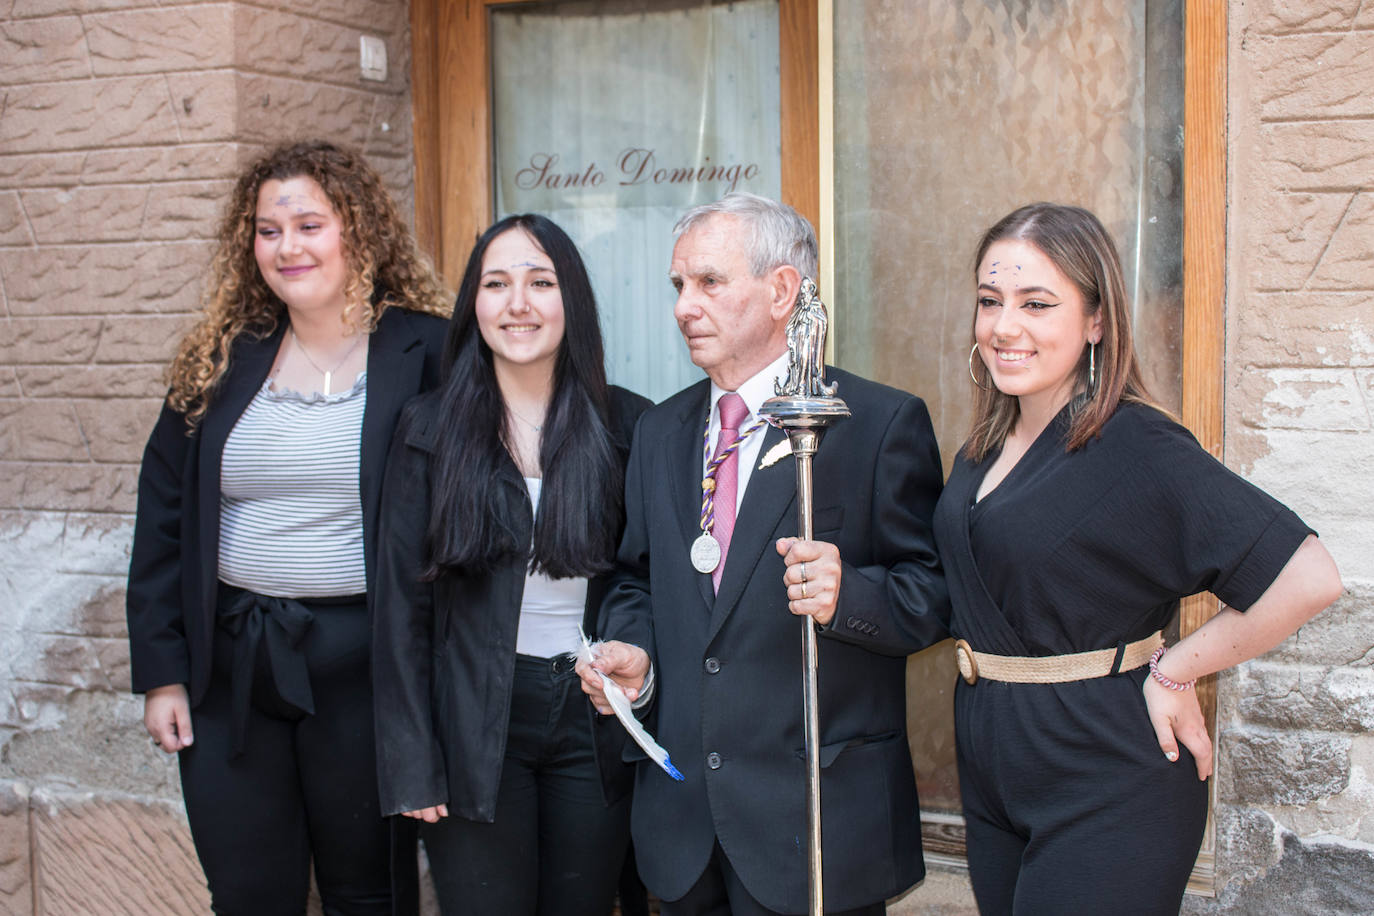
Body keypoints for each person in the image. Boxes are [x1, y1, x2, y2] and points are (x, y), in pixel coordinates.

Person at [939, 203, 1344, 914]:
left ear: (1096, 320)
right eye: (990, 301)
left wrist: (1177, 669)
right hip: (994, 777)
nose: (1006, 325)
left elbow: (1308, 577)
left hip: (1108, 779)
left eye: (1037, 303)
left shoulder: (1136, 446)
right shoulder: (980, 454)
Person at [578, 192, 950, 915]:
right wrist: (638, 656)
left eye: (710, 283)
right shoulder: (661, 431)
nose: (686, 306)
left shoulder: (876, 425)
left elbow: (933, 597)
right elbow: (636, 580)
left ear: (782, 291)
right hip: (684, 828)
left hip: (814, 826)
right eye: (678, 286)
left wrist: (851, 596)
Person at [125, 140, 450, 915]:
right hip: (231, 669)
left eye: (309, 224)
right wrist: (163, 673)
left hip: (369, 671)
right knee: (246, 894)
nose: (287, 247)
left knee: (367, 896)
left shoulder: (427, 351)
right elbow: (162, 519)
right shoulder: (221, 357)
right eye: (268, 231)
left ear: (358, 233)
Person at [372, 214, 651, 915]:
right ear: (474, 304)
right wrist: (412, 763)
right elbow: (400, 609)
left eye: (540, 282)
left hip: (592, 717)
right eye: (496, 284)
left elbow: (639, 578)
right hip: (471, 720)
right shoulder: (428, 430)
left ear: (572, 302)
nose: (518, 303)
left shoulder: (627, 427)